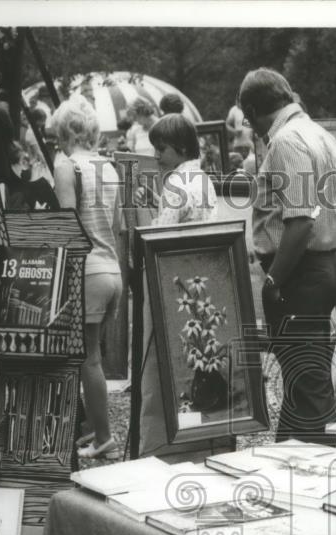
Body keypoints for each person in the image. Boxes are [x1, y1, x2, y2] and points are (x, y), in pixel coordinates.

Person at [239, 67, 336, 445]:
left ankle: (321, 468)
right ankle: (287, 455)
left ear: (251, 110)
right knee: (303, 379)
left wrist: (272, 281)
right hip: (320, 266)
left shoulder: (285, 141)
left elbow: (299, 223)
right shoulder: (319, 132)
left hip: (298, 273)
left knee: (308, 381)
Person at [136, 114, 219, 454]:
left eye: (162, 149)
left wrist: (144, 212)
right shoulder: (202, 179)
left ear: (181, 147)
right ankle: (196, 441)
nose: (157, 156)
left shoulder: (175, 184)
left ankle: (157, 445)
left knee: (157, 368)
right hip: (199, 283)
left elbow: (157, 237)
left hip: (168, 282)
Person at [53, 95, 123, 460]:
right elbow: (115, 225)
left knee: (89, 358)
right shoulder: (108, 167)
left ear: (65, 132)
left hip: (87, 269)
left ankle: (105, 440)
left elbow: (67, 226)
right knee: (94, 355)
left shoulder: (67, 167)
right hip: (111, 267)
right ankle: (94, 427)